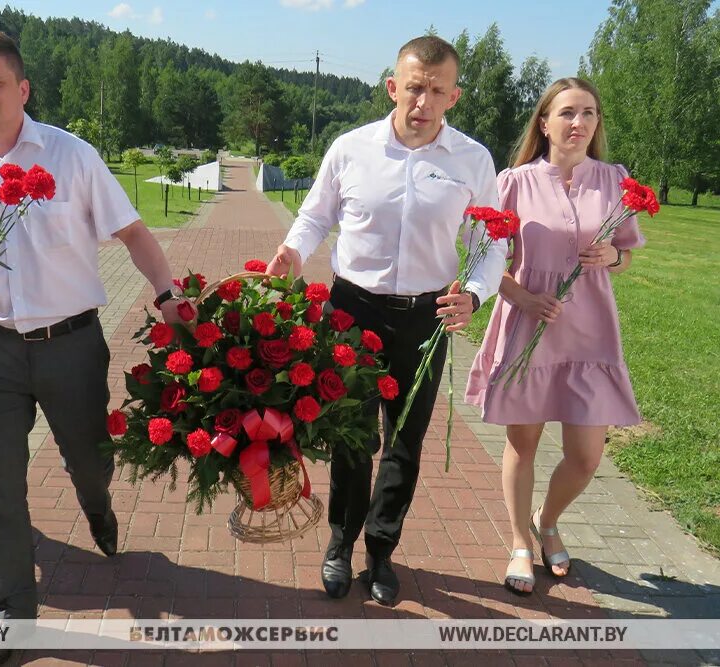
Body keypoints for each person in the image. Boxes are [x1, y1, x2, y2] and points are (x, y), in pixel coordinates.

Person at [0, 31, 191, 667]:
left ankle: (98, 506)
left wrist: (167, 293)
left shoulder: (72, 155)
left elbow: (134, 231)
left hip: (72, 345)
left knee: (90, 459)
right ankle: (14, 620)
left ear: (23, 89)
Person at [266, 35, 506, 606]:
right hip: (352, 311)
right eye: (414, 87)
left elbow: (491, 242)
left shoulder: (472, 160)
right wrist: (293, 252)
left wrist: (474, 292)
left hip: (424, 319)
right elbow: (314, 215)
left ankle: (381, 549)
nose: (422, 101)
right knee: (351, 437)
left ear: (454, 96)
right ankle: (340, 542)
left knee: (404, 441)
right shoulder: (351, 149)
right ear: (393, 86)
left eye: (437, 90)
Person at [465, 78, 644, 595]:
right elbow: (482, 260)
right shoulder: (513, 183)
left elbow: (628, 251)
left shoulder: (615, 180)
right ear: (544, 123)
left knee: (587, 455)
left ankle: (548, 519)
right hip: (528, 329)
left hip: (590, 335)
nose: (579, 123)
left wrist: (614, 256)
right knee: (523, 443)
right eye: (567, 112)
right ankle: (521, 542)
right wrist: (521, 298)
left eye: (589, 113)